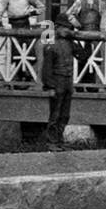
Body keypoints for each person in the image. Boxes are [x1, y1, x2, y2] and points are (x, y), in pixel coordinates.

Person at [0, 0, 44, 83]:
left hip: (25, 25)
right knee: (15, 53)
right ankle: (17, 77)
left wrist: (32, 12)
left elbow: (41, 7)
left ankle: (27, 74)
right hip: (14, 25)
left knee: (29, 53)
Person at [41, 14, 76, 150]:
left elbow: (83, 55)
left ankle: (60, 141)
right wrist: (49, 87)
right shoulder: (51, 45)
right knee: (55, 114)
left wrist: (78, 40)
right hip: (57, 82)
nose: (66, 31)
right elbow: (46, 69)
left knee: (65, 114)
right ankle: (52, 142)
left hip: (68, 82)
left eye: (68, 28)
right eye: (64, 28)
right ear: (57, 28)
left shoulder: (70, 43)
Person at [67, 0, 104, 87]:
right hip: (82, 34)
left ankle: (93, 85)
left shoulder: (100, 3)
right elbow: (69, 14)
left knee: (95, 59)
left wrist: (102, 30)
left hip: (95, 35)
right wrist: (77, 24)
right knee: (82, 58)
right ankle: (80, 84)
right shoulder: (79, 2)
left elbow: (104, 18)